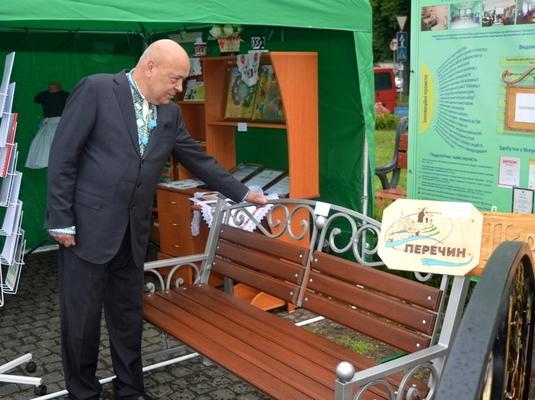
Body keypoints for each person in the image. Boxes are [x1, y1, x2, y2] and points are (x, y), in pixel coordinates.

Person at [45, 39, 267, 400]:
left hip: (132, 234)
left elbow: (197, 159)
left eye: (183, 81)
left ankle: (130, 391)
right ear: (149, 67)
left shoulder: (170, 113)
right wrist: (60, 219)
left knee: (128, 316)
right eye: (175, 79)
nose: (179, 88)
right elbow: (63, 155)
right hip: (86, 230)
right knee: (81, 322)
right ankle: (83, 393)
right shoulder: (97, 90)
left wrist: (242, 193)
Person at [25, 82, 69, 169]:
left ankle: (60, 163)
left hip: (62, 122)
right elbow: (36, 99)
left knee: (59, 143)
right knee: (41, 144)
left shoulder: (66, 95)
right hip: (48, 122)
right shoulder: (43, 95)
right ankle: (51, 163)